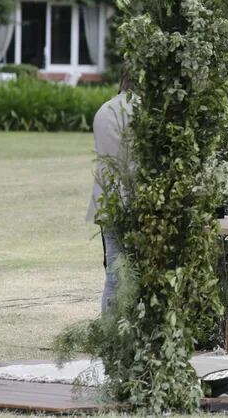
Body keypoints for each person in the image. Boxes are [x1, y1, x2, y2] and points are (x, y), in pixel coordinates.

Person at [86, 72, 134, 313]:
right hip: (132, 201)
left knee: (113, 275)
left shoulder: (104, 110)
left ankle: (110, 334)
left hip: (106, 199)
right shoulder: (140, 111)